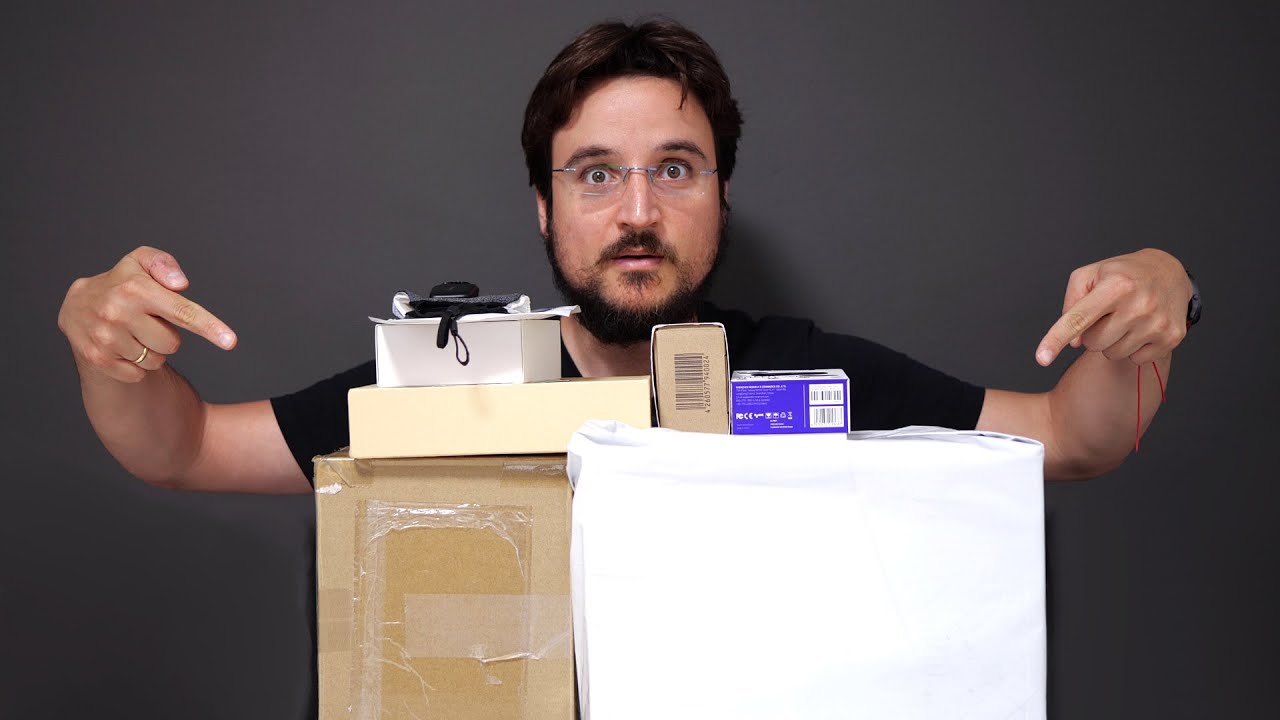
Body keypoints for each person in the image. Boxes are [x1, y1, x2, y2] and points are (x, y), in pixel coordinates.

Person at [57, 18, 1197, 491]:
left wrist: (1156, 299)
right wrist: (112, 355)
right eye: (595, 174)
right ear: (543, 209)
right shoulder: (455, 382)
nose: (636, 211)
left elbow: (1073, 438)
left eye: (675, 169)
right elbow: (183, 448)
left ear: (721, 196)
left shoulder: (812, 378)